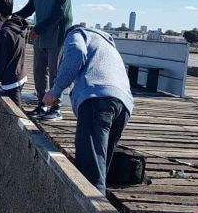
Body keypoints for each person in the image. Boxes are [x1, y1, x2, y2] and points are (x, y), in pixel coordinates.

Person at [42, 25, 134, 194]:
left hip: (96, 100)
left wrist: (55, 91)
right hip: (124, 104)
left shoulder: (77, 34)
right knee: (100, 164)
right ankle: (102, 209)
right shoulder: (106, 43)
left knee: (90, 173)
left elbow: (76, 53)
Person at [15, 0, 72, 121]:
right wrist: (11, 18)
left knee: (55, 72)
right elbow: (29, 8)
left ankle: (56, 107)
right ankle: (42, 104)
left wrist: (38, 29)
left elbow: (59, 11)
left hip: (57, 35)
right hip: (40, 37)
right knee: (39, 72)